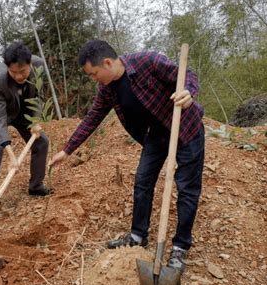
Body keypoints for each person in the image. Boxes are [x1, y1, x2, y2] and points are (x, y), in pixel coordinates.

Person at [49, 40, 205, 272]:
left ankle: (180, 248)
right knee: (142, 181)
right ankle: (138, 235)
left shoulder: (147, 62)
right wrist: (67, 150)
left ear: (107, 62)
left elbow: (186, 75)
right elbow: (92, 118)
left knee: (186, 188)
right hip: (156, 135)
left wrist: (187, 92)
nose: (94, 79)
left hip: (185, 127)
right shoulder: (107, 90)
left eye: (93, 74)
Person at [0, 41, 53, 221]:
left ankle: (36, 186)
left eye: (22, 71)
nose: (18, 76)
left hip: (21, 107)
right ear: (7, 67)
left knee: (41, 142)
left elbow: (39, 95)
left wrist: (36, 120)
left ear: (30, 64)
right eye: (13, 72)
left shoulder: (39, 65)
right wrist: (11, 155)